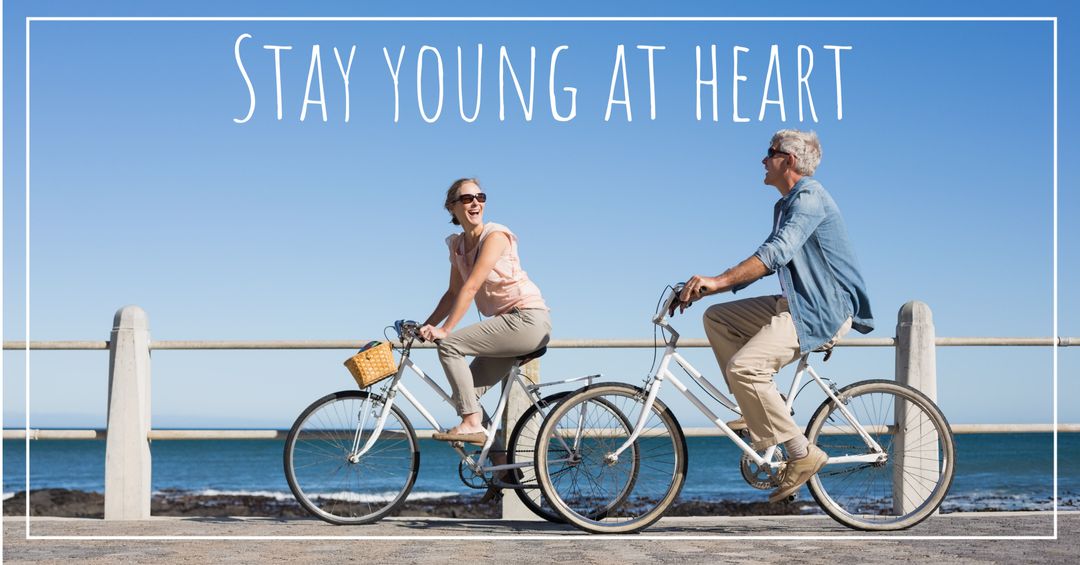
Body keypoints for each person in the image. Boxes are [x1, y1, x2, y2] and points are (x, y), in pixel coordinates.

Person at [674, 130, 874, 503]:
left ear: (790, 161)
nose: (762, 160)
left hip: (822, 309)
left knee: (745, 368)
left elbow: (775, 254)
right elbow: (771, 259)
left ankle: (801, 452)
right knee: (718, 318)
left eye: (770, 153)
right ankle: (764, 409)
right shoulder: (784, 205)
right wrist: (708, 292)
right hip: (797, 302)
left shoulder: (810, 197)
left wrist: (716, 280)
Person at [420, 178, 551, 445]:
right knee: (464, 395)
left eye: (480, 197)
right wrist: (425, 326)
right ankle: (501, 470)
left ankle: (471, 423)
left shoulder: (495, 235)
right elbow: (453, 293)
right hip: (508, 325)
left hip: (527, 319)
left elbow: (471, 287)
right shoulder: (457, 246)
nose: (476, 203)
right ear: (452, 207)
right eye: (467, 199)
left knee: (450, 346)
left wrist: (445, 331)